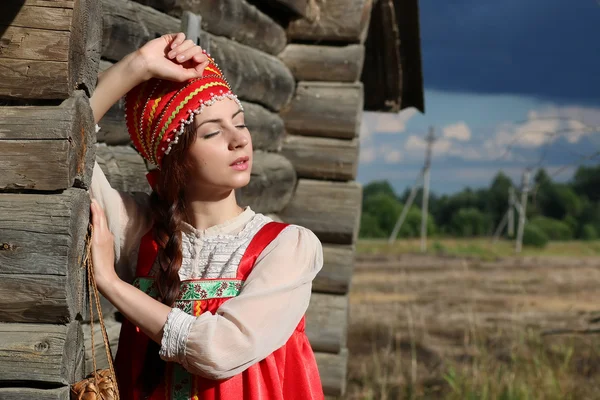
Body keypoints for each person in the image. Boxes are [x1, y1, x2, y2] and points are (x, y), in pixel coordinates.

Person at [88, 32, 325, 400]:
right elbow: (67, 146)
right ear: (174, 159)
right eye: (213, 132)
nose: (239, 139)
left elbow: (217, 350)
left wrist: (112, 285)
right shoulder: (141, 232)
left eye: (240, 122)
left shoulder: (287, 248)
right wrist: (137, 65)